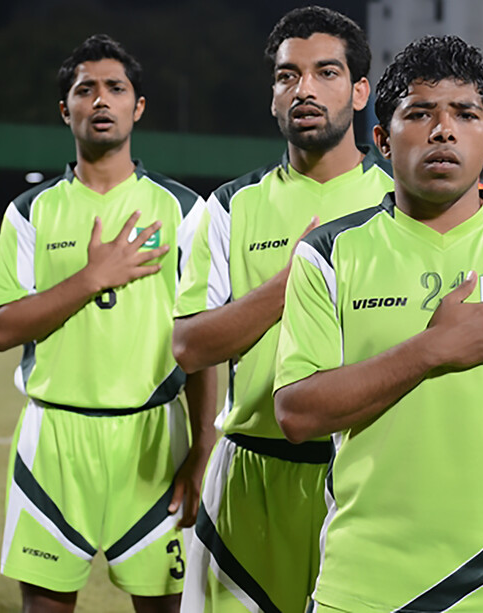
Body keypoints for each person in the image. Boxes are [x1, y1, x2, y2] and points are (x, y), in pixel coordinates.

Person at [273, 35, 483, 612]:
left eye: (465, 114)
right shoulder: (329, 254)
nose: (443, 130)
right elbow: (296, 413)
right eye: (420, 113)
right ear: (381, 140)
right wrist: (434, 348)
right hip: (363, 585)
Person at [0, 34, 217, 613]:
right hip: (54, 441)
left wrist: (203, 445)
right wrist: (91, 278)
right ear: (66, 110)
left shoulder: (186, 211)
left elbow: (203, 340)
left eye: (116, 88)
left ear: (138, 107)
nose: (101, 100)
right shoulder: (30, 212)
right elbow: (0, 329)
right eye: (85, 90)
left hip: (153, 441)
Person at [172, 7, 392, 612]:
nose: (304, 89)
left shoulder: (397, 205)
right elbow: (190, 347)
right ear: (272, 97)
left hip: (363, 480)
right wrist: (292, 279)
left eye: (325, 73)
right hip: (250, 475)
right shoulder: (229, 207)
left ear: (360, 91)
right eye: (286, 76)